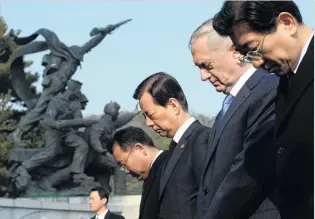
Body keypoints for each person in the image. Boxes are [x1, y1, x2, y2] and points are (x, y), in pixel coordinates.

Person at [212, 1, 314, 219]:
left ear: (287, 23)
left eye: (254, 48)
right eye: (247, 55)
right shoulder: (286, 82)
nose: (256, 64)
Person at [189, 18, 279, 219]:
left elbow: (246, 173)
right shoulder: (227, 107)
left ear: (235, 51)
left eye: (206, 65)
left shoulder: (268, 90)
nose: (203, 76)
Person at [133, 72, 211, 219]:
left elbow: (212, 202)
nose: (148, 123)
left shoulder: (202, 140)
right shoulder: (174, 149)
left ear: (173, 106)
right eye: (144, 117)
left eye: (150, 114)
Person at [108, 126, 168, 219]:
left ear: (139, 149)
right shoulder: (151, 175)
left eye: (124, 164)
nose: (126, 171)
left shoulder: (172, 168)